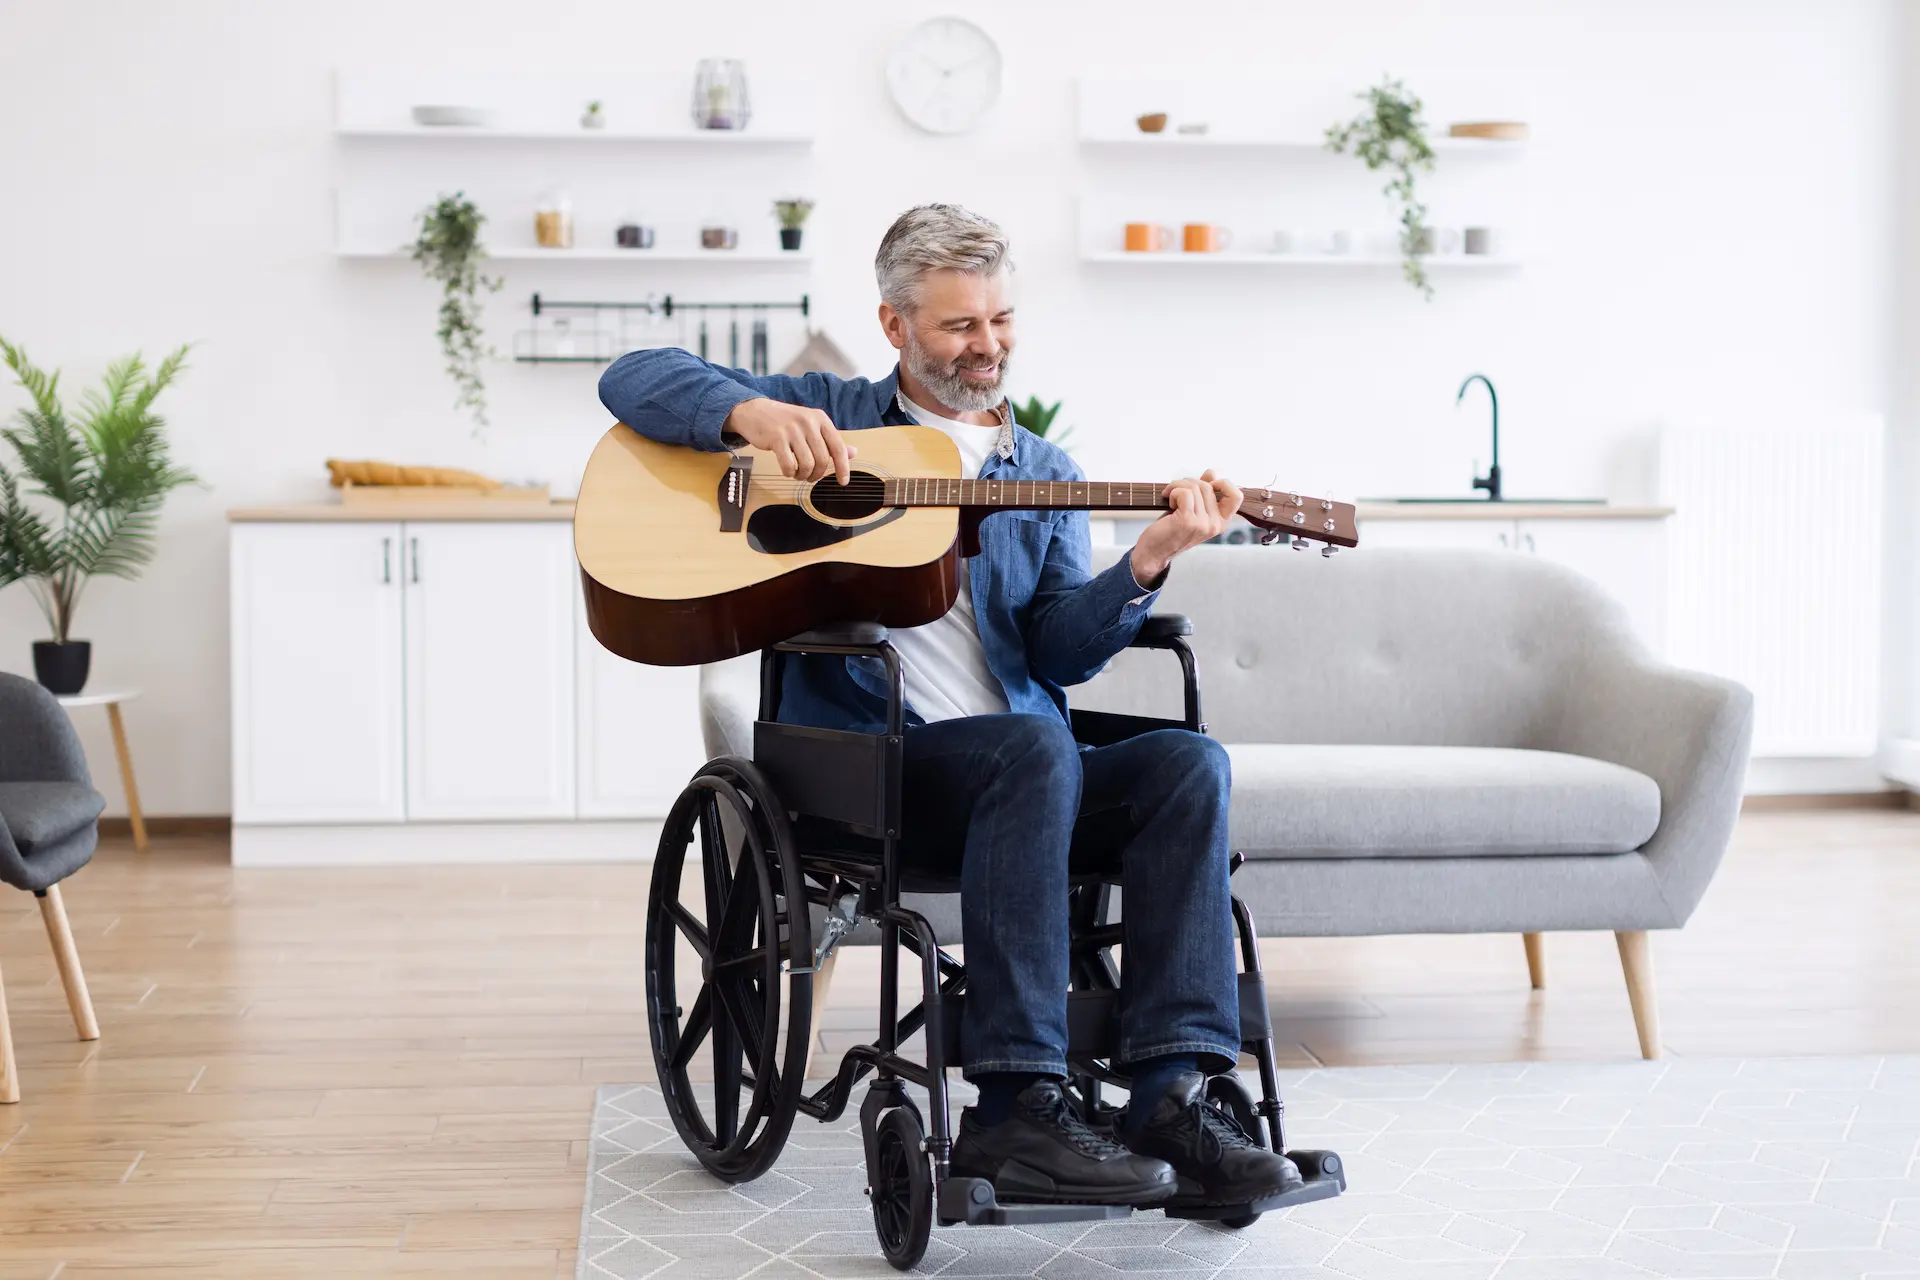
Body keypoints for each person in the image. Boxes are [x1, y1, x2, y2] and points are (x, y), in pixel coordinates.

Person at [598, 204, 1302, 1210]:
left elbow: (1061, 648)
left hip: (1023, 763)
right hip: (877, 767)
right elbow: (631, 375)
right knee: (1034, 751)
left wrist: (1146, 561)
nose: (989, 346)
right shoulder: (828, 412)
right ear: (895, 326)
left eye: (1002, 320)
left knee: (1188, 761)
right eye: (960, 326)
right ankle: (1015, 1104)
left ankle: (1171, 1090)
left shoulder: (1044, 471)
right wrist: (747, 418)